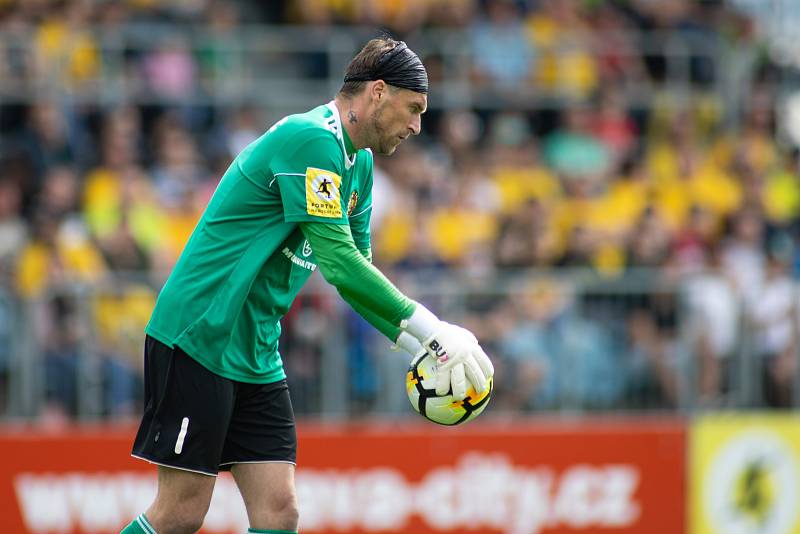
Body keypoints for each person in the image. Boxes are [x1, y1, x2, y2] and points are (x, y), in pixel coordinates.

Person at [120, 37, 494, 534]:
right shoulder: (311, 139)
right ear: (378, 92)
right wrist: (430, 327)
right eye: (414, 109)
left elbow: (356, 270)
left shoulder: (358, 163)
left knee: (279, 511)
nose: (417, 126)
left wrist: (420, 347)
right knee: (181, 513)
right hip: (200, 334)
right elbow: (337, 262)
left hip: (256, 349)